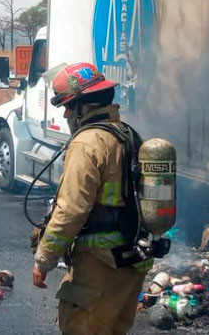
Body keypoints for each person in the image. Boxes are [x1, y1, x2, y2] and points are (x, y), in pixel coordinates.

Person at [32, 62, 151, 335]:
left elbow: (71, 210)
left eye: (68, 106)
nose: (65, 113)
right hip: (131, 263)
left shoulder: (88, 143)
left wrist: (44, 259)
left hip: (100, 266)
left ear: (83, 106)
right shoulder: (130, 135)